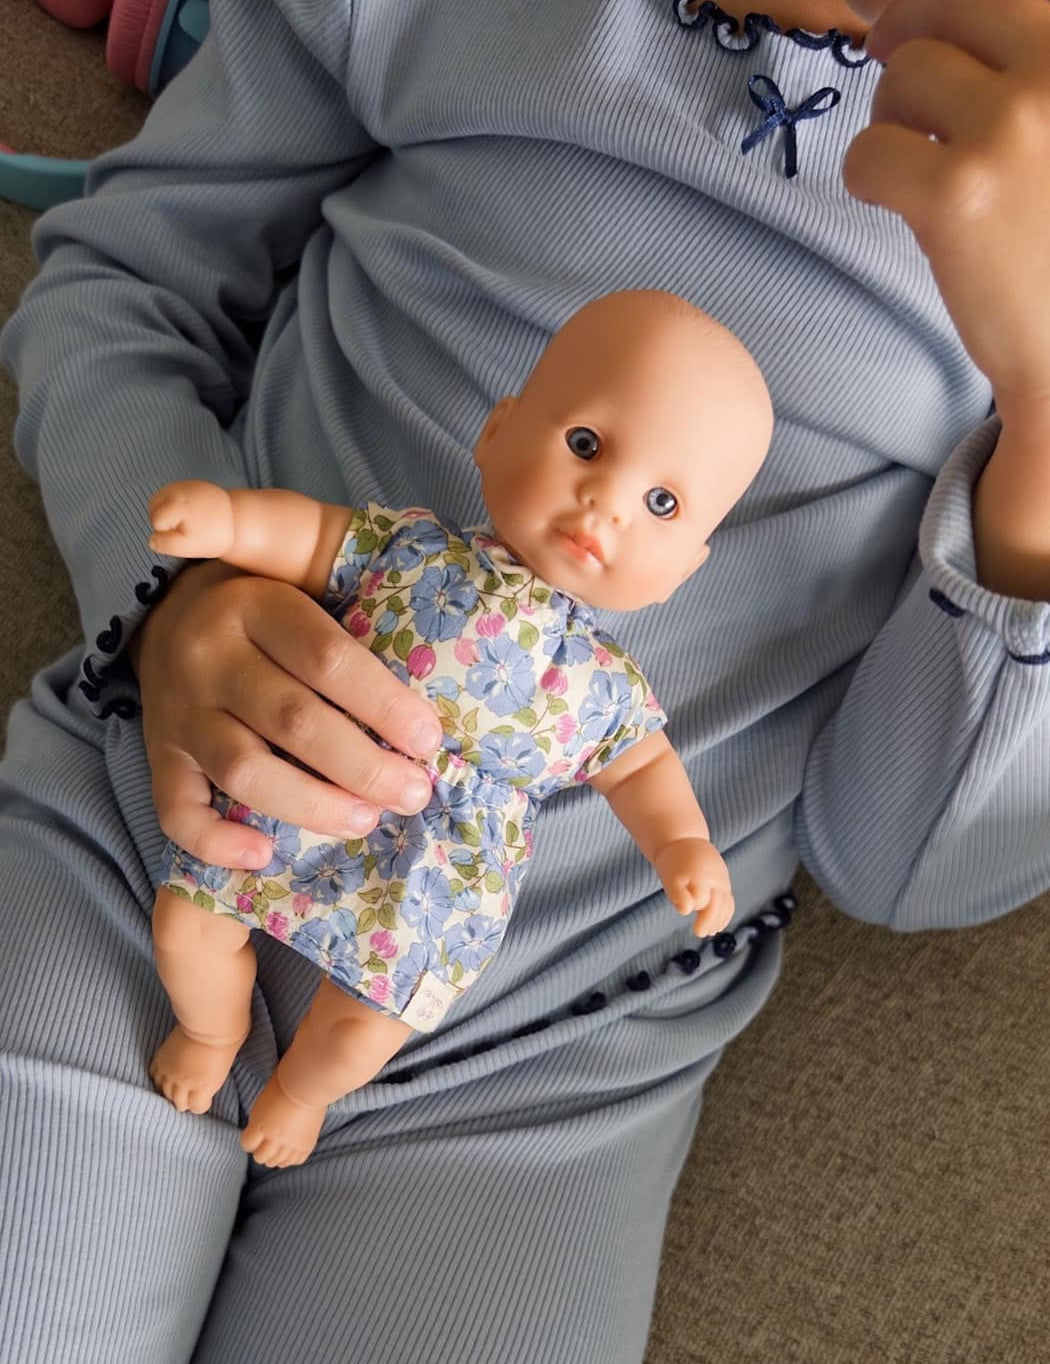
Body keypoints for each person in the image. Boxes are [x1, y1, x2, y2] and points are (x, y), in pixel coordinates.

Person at [0, 0, 1047, 1360]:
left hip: (544, 1056)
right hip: (152, 827)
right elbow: (121, 286)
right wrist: (173, 598)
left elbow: (908, 863)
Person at [145, 290, 770, 1167]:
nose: (606, 504)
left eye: (663, 504)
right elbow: (320, 538)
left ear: (688, 568)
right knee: (189, 924)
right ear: (498, 431)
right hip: (302, 782)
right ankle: (210, 1031)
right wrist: (230, 524)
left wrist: (683, 845)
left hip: (435, 884)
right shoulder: (418, 551)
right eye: (586, 445)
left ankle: (301, 1090)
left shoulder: (603, 686)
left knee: (367, 1023)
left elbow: (639, 769)